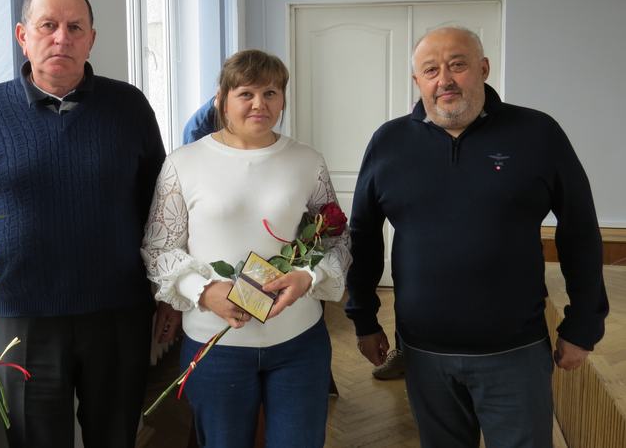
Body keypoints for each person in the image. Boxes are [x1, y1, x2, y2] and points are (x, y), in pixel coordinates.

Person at [345, 26, 608, 448]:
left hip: (516, 352)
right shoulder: (389, 142)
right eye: (430, 70)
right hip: (423, 354)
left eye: (458, 65)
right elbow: (363, 235)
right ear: (417, 81)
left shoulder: (537, 132)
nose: (444, 80)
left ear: (483, 69)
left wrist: (584, 324)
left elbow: (579, 230)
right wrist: (364, 318)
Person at [0, 0, 166, 447]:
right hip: (25, 317)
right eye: (48, 26)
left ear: (91, 39)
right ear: (23, 36)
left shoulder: (129, 107)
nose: (62, 37)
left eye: (75, 27)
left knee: (116, 438)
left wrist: (168, 293)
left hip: (118, 313)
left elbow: (160, 209)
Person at [142, 49, 351, 448]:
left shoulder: (307, 161)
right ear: (222, 100)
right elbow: (159, 247)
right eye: (246, 94)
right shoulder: (184, 163)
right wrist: (204, 290)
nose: (260, 104)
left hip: (298, 341)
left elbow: (336, 237)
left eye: (271, 93)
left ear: (283, 100)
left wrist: (308, 277)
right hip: (215, 344)